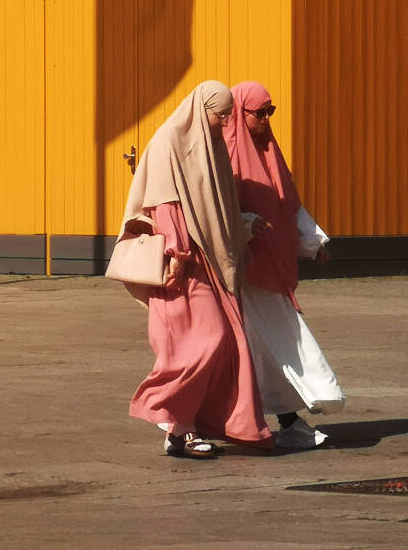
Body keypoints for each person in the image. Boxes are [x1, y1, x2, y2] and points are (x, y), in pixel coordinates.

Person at [115, 80, 274, 458]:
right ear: (201, 110)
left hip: (209, 264)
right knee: (203, 342)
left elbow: (216, 206)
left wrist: (245, 225)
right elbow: (165, 204)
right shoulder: (169, 141)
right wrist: (179, 253)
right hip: (181, 266)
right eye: (219, 115)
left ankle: (185, 429)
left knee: (221, 344)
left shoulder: (210, 145)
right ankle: (167, 412)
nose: (224, 122)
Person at [225, 81, 345, 449]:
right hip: (240, 273)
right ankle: (190, 424)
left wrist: (313, 243)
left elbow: (288, 202)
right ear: (239, 113)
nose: (264, 120)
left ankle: (288, 418)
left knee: (275, 345)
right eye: (258, 112)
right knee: (247, 350)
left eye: (269, 112)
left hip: (269, 273)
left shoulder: (269, 153)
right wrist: (246, 223)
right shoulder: (226, 153)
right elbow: (217, 206)